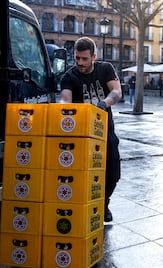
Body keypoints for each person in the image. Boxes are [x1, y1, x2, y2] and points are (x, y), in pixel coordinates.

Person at [60, 37, 122, 222]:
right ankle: (87, 207)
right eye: (77, 58)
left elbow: (117, 91)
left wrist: (104, 103)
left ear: (93, 56)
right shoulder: (69, 77)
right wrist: (64, 108)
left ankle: (104, 202)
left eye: (84, 59)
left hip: (105, 131)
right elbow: (65, 99)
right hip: (81, 135)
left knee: (113, 173)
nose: (80, 62)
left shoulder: (105, 69)